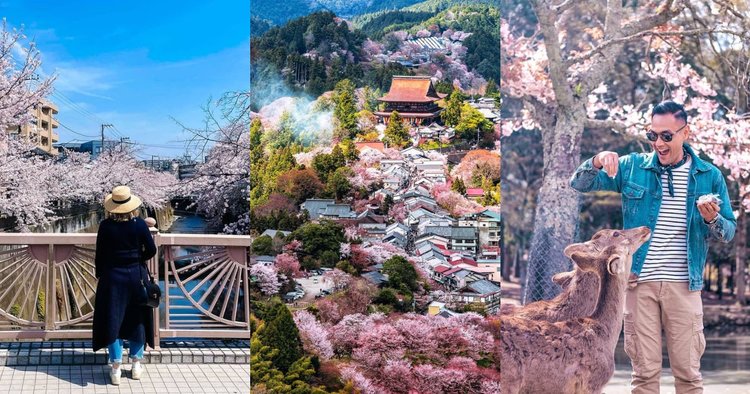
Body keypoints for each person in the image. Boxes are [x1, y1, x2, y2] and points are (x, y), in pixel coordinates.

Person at [569, 101, 736, 393]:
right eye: (652, 135)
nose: (659, 143)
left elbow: (729, 232)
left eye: (667, 136)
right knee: (644, 377)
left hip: (685, 285)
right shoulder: (633, 167)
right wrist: (597, 160)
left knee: (688, 376)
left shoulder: (709, 176)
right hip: (637, 285)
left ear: (687, 133)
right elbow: (579, 183)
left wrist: (712, 219)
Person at [92, 186, 157, 385]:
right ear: (132, 206)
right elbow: (152, 250)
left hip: (112, 278)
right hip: (136, 278)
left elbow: (100, 255)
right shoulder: (139, 225)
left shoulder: (105, 226)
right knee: (137, 318)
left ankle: (116, 368)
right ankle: (136, 365)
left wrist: (101, 274)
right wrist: (138, 259)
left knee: (113, 318)